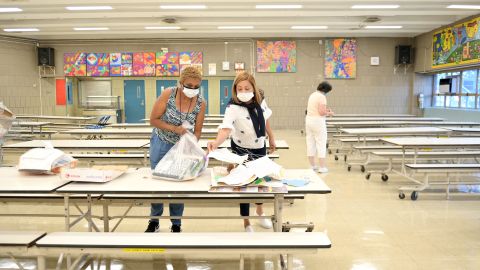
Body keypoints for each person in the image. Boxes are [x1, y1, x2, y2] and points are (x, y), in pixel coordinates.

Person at [207, 72, 275, 232]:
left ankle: (260, 211)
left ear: (253, 88)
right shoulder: (233, 106)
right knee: (243, 184)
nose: (243, 92)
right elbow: (225, 129)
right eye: (240, 89)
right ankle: (246, 222)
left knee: (259, 181)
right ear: (235, 90)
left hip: (259, 146)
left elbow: (265, 120)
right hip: (240, 148)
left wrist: (271, 137)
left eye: (247, 88)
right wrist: (216, 142)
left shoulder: (261, 101)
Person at [146, 66, 207, 233]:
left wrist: (191, 145)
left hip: (182, 147)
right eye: (189, 85)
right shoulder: (168, 94)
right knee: (158, 183)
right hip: (161, 142)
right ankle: (154, 220)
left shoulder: (201, 103)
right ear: (180, 83)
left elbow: (198, 130)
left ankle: (176, 223)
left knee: (179, 184)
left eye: (196, 87)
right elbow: (153, 120)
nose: (192, 90)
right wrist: (174, 129)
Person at [305, 81, 334, 173]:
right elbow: (321, 112)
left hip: (309, 120)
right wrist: (329, 113)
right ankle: (322, 167)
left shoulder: (312, 95)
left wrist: (325, 110)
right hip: (317, 121)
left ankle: (312, 166)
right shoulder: (322, 97)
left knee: (310, 142)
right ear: (326, 90)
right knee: (321, 143)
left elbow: (315, 109)